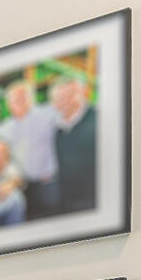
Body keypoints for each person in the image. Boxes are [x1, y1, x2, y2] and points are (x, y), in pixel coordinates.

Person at [1, 79, 62, 220]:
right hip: (18, 187)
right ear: (8, 103)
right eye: (15, 98)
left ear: (32, 97)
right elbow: (4, 159)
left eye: (23, 96)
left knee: (52, 222)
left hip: (46, 184)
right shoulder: (4, 129)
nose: (19, 101)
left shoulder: (50, 114)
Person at [50, 75, 98, 216]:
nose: (64, 102)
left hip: (92, 204)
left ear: (83, 93)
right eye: (59, 98)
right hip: (65, 206)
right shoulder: (57, 131)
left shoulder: (99, 120)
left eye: (70, 95)